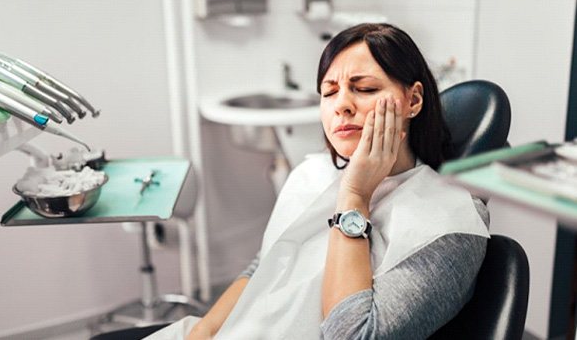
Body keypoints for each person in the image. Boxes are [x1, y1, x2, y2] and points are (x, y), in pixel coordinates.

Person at [147, 23, 490, 340]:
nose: (342, 105)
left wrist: (355, 196)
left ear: (412, 100)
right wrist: (204, 331)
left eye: (365, 88)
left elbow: (353, 334)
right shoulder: (312, 176)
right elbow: (266, 265)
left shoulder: (452, 222)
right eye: (329, 92)